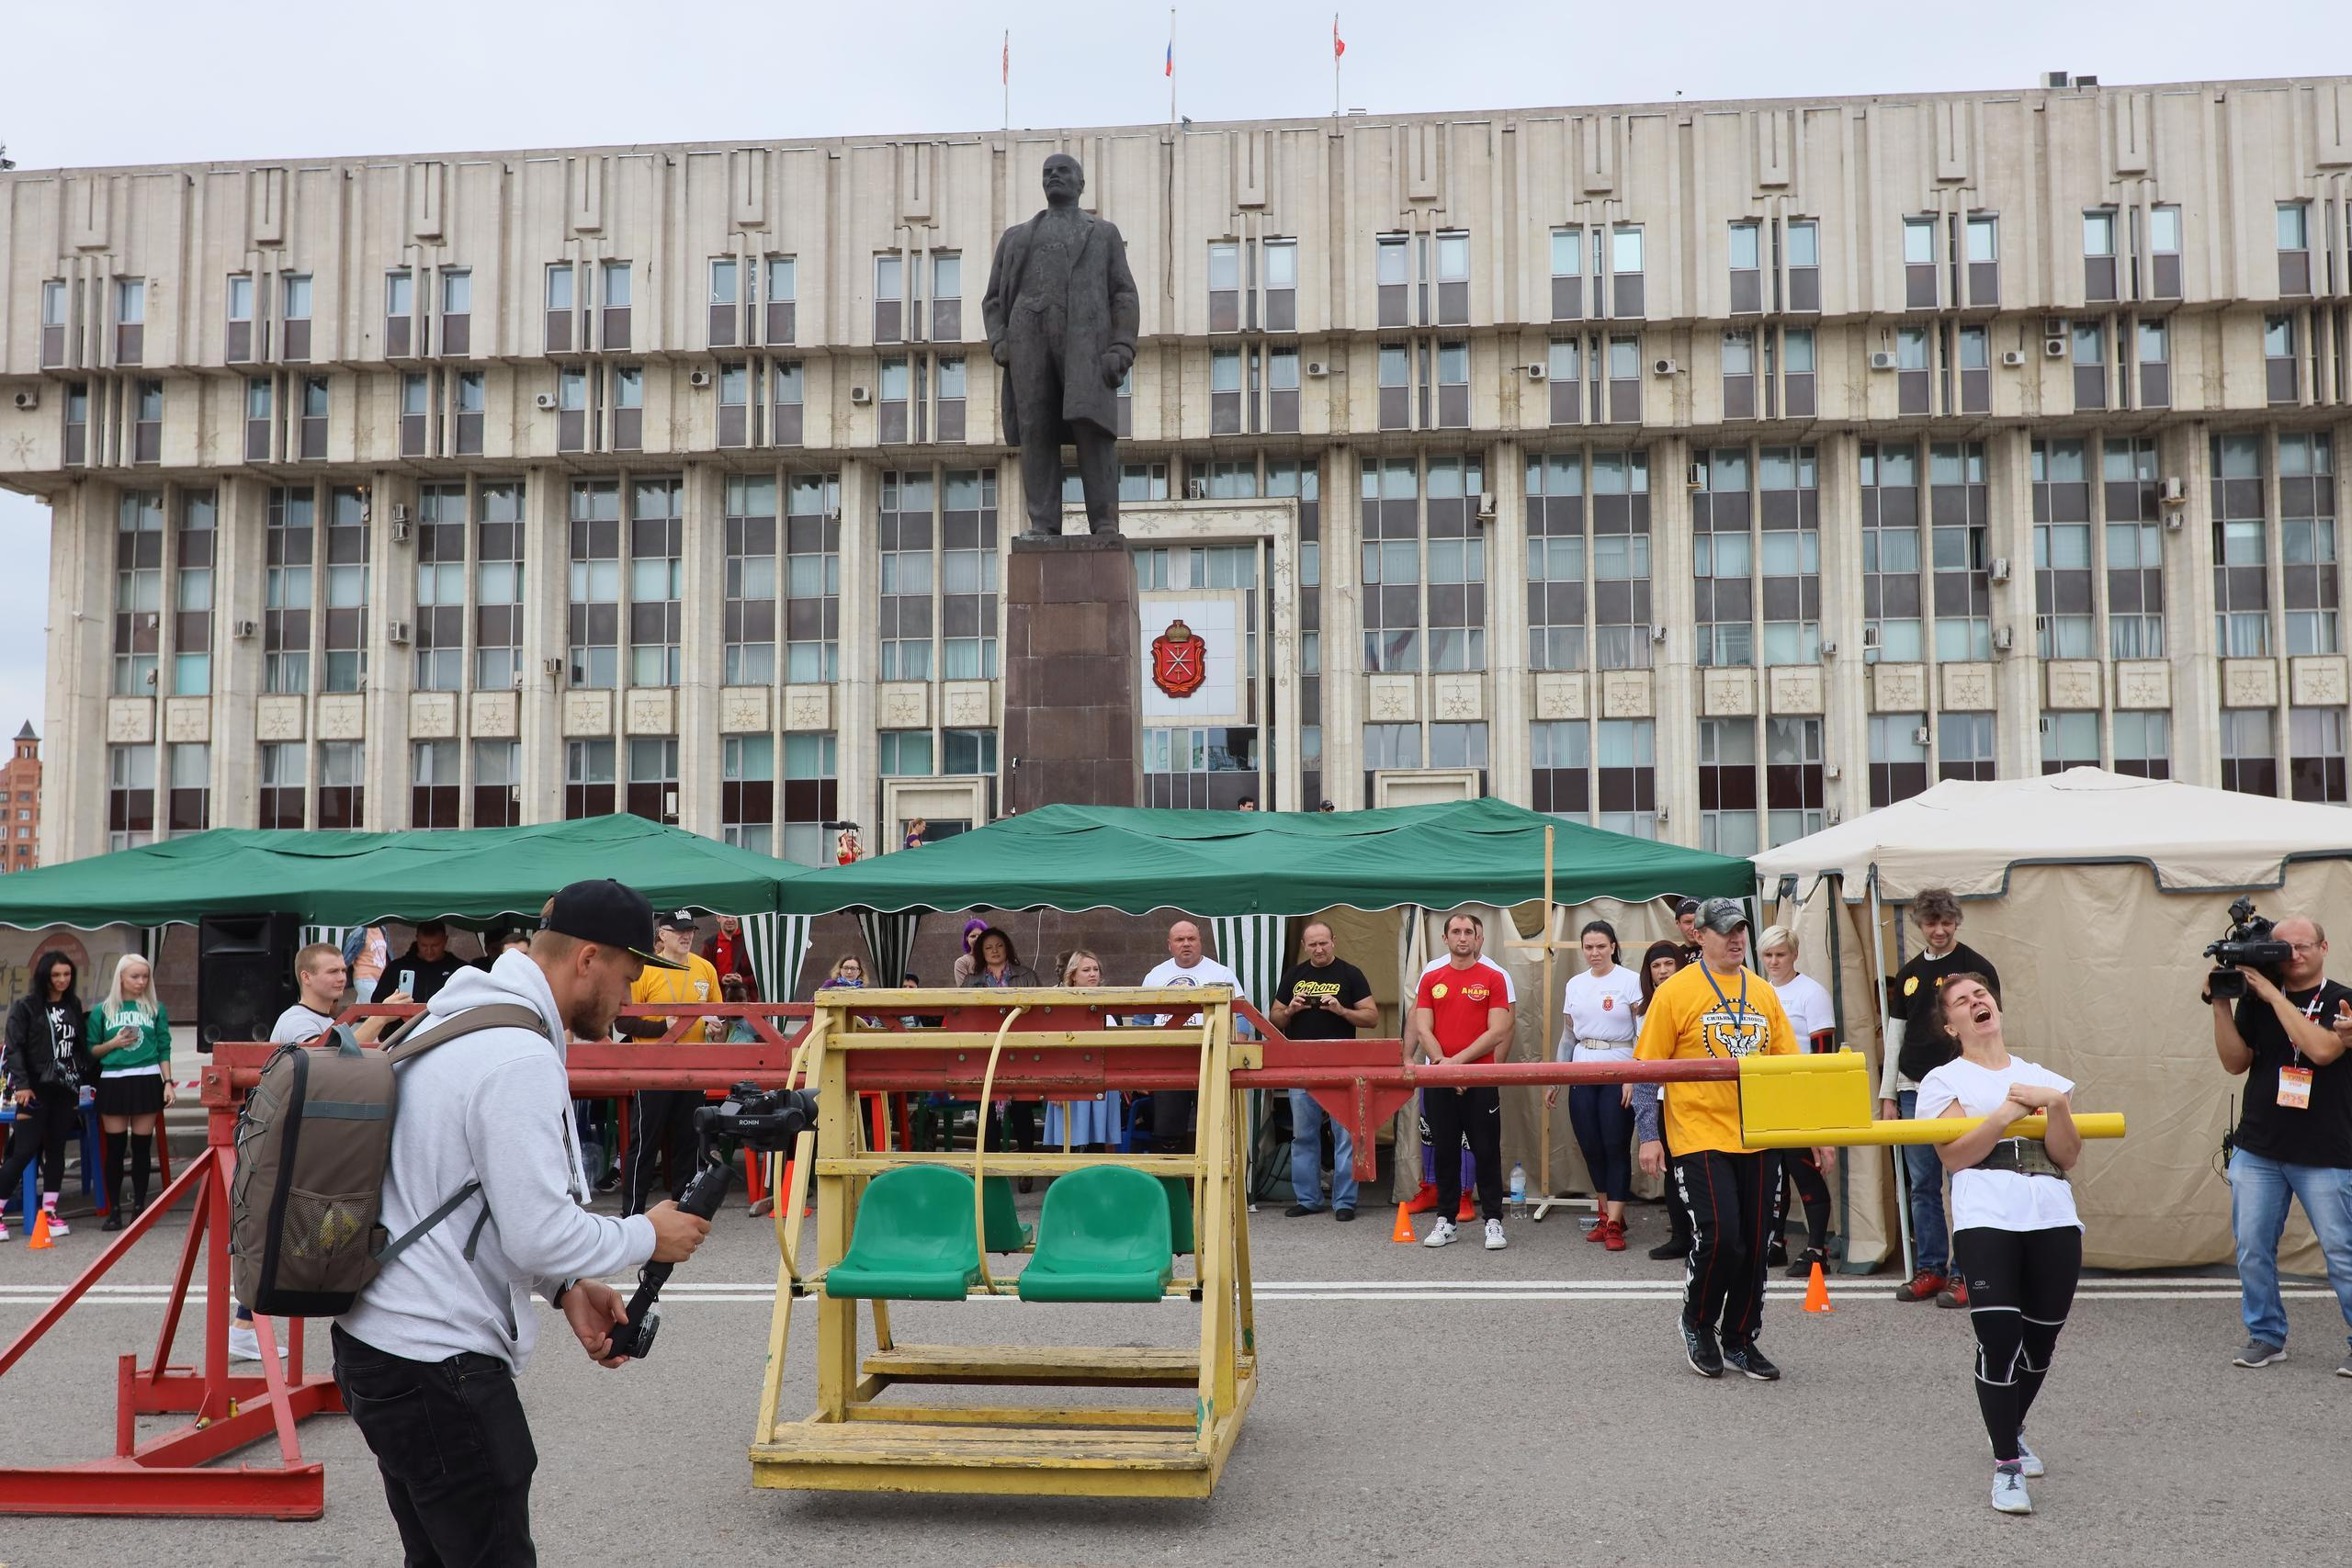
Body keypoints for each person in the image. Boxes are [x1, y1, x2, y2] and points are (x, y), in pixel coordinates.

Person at [334, 879, 711, 1563]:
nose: (629, 999)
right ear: (588, 959)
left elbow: (468, 1194)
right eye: (628, 977)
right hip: (439, 1360)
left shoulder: (460, 1018)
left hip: (382, 1341)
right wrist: (649, 1233)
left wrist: (565, 1287)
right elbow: (539, 1231)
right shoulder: (516, 1054)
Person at [1918, 973, 2085, 1516]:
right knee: (1999, 1338)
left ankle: (2009, 1428)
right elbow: (1956, 1155)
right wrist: (2009, 1115)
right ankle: (2007, 1466)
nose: (1977, 1003)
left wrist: (2055, 1105)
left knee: (2042, 1341)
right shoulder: (1943, 1080)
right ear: (1951, 1025)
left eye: (1982, 995)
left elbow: (2067, 1155)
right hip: (1986, 1211)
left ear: (1996, 1007)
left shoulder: (2042, 1078)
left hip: (2051, 1209)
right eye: (1962, 1002)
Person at [1634, 897, 1808, 1382]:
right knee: (1722, 1237)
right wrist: (1649, 1135)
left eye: (1741, 930)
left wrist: (1812, 1132)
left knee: (1756, 1243)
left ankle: (1741, 1337)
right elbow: (1646, 1069)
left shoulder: (1763, 992)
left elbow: (1788, 1068)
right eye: (1725, 930)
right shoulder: (1675, 992)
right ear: (1699, 936)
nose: (1736, 939)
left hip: (1758, 1134)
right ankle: (1698, 1324)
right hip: (1699, 1132)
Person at [243, 943, 410, 1359]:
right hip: (297, 1143)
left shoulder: (328, 1019)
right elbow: (328, 1060)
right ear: (306, 977)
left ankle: (253, 1320)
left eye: (343, 970)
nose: (341, 977)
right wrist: (378, 1017)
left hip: (319, 1138)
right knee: (287, 1231)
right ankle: (246, 1323)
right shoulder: (295, 1021)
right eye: (332, 971)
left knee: (309, 1231)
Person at [2209, 913, 2352, 1373]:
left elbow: (2322, 1051)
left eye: (2303, 946)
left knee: (2342, 1252)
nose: (2294, 955)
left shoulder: (2343, 1001)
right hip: (2260, 1146)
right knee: (2252, 1248)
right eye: (2284, 947)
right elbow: (2235, 1062)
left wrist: (2273, 994)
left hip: (2325, 1150)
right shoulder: (2255, 1002)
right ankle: (2266, 1335)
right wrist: (2220, 1004)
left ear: (2324, 948)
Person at [1879, 887, 2003, 1307]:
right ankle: (1931, 1268)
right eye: (1932, 923)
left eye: (1947, 922)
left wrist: (1988, 1082)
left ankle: (1966, 1273)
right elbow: (1895, 1035)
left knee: (1964, 1180)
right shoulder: (1909, 973)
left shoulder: (1976, 968)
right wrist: (1888, 1093)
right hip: (1913, 1088)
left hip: (1962, 1089)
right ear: (1920, 924)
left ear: (1957, 922)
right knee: (1922, 1185)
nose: (1939, 930)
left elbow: (1991, 1029)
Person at [1410, 911, 1516, 1251]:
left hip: (1479, 1078)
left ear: (1477, 937)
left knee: (1486, 1150)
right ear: (1445, 938)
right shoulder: (1432, 977)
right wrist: (1444, 1067)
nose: (1462, 937)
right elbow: (1422, 1028)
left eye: (1468, 931)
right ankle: (1446, 1220)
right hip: (1440, 1079)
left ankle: (1494, 1221)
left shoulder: (1493, 977)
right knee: (1444, 1151)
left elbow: (1497, 1030)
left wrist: (1457, 1065)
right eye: (1455, 931)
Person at [619, 911, 724, 1218]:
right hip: (653, 1069)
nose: (686, 936)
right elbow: (623, 1022)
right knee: (644, 1143)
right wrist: (661, 1027)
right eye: (679, 931)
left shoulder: (704, 967)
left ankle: (683, 1211)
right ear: (662, 934)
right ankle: (632, 1213)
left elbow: (718, 1014)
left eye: (690, 930)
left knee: (689, 1142)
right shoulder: (644, 968)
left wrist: (716, 1028)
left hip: (693, 1068)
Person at [1271, 921, 1377, 1221]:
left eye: (1323, 943)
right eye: (1313, 944)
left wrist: (1342, 1010)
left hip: (1343, 1065)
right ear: (1304, 946)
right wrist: (1290, 1010)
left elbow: (1372, 1017)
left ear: (1334, 941)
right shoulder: (1294, 975)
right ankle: (1308, 1199)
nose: (1319, 949)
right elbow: (1274, 1020)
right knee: (1303, 1136)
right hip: (1302, 1065)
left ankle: (1344, 1202)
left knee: (1345, 1135)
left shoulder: (1350, 974)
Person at [1554, 920, 1644, 1250]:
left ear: (1613, 947)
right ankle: (1606, 1214)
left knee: (1614, 1144)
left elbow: (1642, 1034)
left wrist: (1633, 1076)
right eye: (1589, 947)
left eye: (1601, 946)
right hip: (1582, 1066)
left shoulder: (1630, 981)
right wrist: (1556, 1076)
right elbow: (1568, 1035)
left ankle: (1616, 1223)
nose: (1595, 953)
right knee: (1590, 1145)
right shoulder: (1575, 984)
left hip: (1618, 1065)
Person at [1758, 925, 1838, 1276]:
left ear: (1794, 955)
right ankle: (1775, 1243)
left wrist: (1818, 1109)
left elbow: (1823, 1055)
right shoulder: (1760, 991)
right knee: (1772, 1172)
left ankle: (1816, 1249)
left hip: (1800, 1094)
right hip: (1766, 1094)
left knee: (1804, 1170)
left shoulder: (1812, 993)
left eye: (1781, 954)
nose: (1774, 961)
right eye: (1768, 955)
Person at [0, 952, 96, 1243]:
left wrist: (81, 1081)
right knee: (24, 1149)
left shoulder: (72, 1004)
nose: (62, 980)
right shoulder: (26, 1007)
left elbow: (78, 1046)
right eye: (56, 975)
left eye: (67, 974)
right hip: (34, 1087)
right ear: (44, 976)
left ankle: (50, 1211)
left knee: (57, 1149)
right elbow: (14, 1048)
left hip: (65, 1088)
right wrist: (21, 1085)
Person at [1139, 919, 1242, 1154]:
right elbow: (1142, 1022)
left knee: (1215, 1129)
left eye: (1191, 938)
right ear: (1170, 945)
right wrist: (1142, 1068)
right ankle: (1173, 1177)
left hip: (1212, 1058)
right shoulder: (1155, 975)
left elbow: (1241, 1017)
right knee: (1168, 1136)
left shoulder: (1221, 973)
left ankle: (1212, 1176)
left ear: (1200, 942)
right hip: (1168, 1062)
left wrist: (1233, 1058)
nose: (1186, 944)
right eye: (1180, 939)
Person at [88, 954, 175, 1232]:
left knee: (141, 1147)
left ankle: (139, 1207)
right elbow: (92, 1050)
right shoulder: (102, 1010)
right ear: (121, 978)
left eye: (145, 976)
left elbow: (164, 1046)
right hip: (113, 1080)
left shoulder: (155, 1008)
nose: (141, 982)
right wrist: (113, 1043)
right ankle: (114, 1210)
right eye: (134, 976)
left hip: (146, 1078)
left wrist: (168, 1081)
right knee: (114, 1148)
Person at [1633, 940, 1694, 1263]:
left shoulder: (1692, 999)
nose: (1663, 970)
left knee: (1695, 1165)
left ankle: (1702, 1235)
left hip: (1689, 1096)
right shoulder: (1642, 1009)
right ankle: (1680, 1236)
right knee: (1671, 1168)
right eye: (1656, 966)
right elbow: (1641, 1056)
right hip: (1657, 1096)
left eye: (1669, 964)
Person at [1047, 950, 1123, 1153]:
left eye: (1096, 969)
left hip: (1103, 1083)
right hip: (1070, 1083)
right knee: (1068, 1144)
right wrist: (1055, 1085)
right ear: (1073, 975)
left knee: (1098, 1146)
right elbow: (1053, 1051)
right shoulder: (1060, 1006)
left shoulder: (1110, 1004)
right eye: (1086, 970)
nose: (1092, 974)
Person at [389, 919, 468, 1009]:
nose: (429, 951)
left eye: (435, 945)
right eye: (424, 945)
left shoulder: (460, 969)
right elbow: (379, 1002)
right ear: (417, 939)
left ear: (445, 940)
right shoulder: (396, 968)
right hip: (406, 1018)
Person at [702, 913, 757, 995]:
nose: (730, 920)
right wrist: (721, 980)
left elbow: (763, 975)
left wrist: (743, 981)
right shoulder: (710, 945)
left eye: (733, 916)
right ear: (718, 918)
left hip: (747, 999)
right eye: (726, 916)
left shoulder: (752, 941)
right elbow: (703, 974)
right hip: (719, 1000)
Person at [350, 924, 390, 1003]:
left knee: (361, 1009)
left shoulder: (382, 930)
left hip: (379, 979)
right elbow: (349, 954)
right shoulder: (360, 931)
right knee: (375, 1006)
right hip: (365, 977)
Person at [949, 918, 990, 985]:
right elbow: (964, 988)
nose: (977, 939)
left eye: (980, 936)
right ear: (966, 938)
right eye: (973, 936)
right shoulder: (962, 962)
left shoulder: (997, 959)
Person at [1672, 898, 1703, 965]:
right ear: (1678, 924)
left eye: (1697, 921)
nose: (1693, 927)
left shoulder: (1715, 952)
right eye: (1688, 922)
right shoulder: (1674, 956)